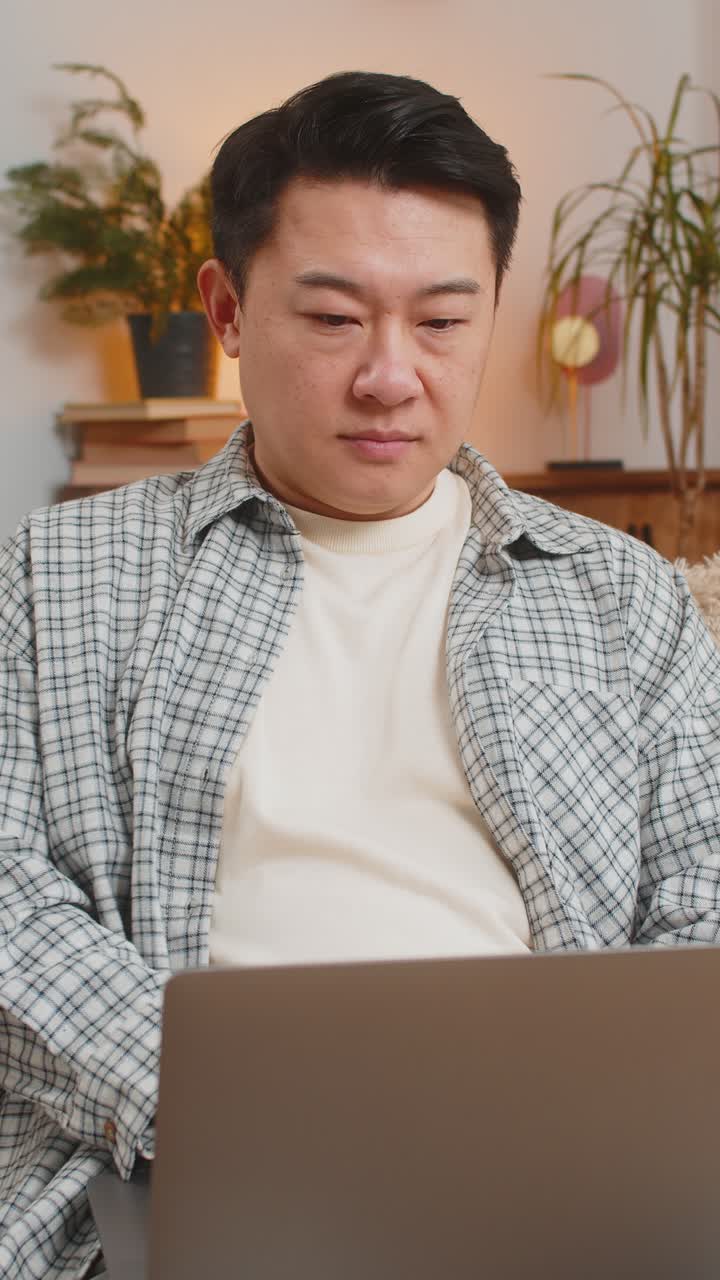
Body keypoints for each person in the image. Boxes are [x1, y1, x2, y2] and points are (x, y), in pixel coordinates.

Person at [1, 68, 719, 1280]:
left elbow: (702, 902)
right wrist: (228, 1113)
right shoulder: (64, 572)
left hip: (553, 1179)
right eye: (334, 318)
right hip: (173, 1171)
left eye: (442, 321)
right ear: (226, 309)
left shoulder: (617, 593)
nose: (393, 375)